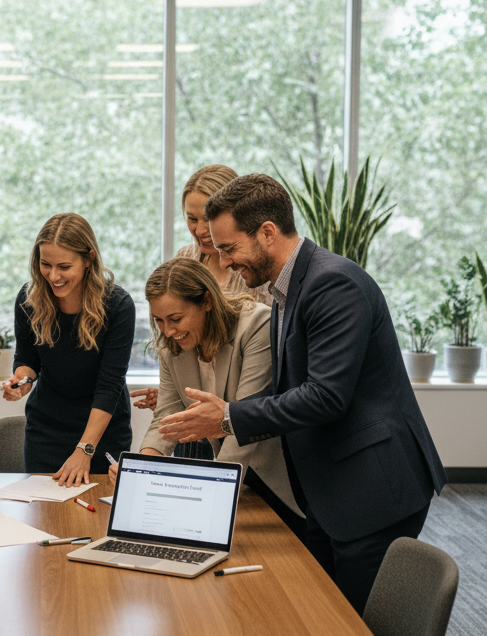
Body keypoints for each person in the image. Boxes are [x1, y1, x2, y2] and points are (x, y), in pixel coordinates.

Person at [158, 173, 446, 613]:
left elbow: (326, 396)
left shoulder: (333, 284)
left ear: (268, 233)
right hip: (327, 488)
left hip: (371, 488)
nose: (225, 262)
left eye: (229, 248)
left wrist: (230, 416)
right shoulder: (284, 288)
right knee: (319, 615)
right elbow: (288, 387)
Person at [109, 257, 303, 533]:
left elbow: (242, 420)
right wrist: (141, 468)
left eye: (176, 319)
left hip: (278, 476)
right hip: (236, 479)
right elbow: (167, 415)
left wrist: (211, 496)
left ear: (207, 302)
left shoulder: (256, 325)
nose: (168, 331)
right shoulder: (171, 346)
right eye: (159, 320)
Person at [2, 213, 134, 487]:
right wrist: (22, 381)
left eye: (64, 266)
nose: (53, 275)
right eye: (45, 264)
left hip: (103, 434)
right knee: (44, 519)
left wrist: (84, 449)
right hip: (46, 431)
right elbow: (28, 359)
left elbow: (110, 386)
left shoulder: (118, 306)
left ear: (88, 259)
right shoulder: (29, 299)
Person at [132, 164, 270, 413]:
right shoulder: (185, 256)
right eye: (191, 219)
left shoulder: (257, 270)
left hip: (243, 410)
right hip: (194, 411)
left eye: (207, 219)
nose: (199, 230)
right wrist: (172, 395)